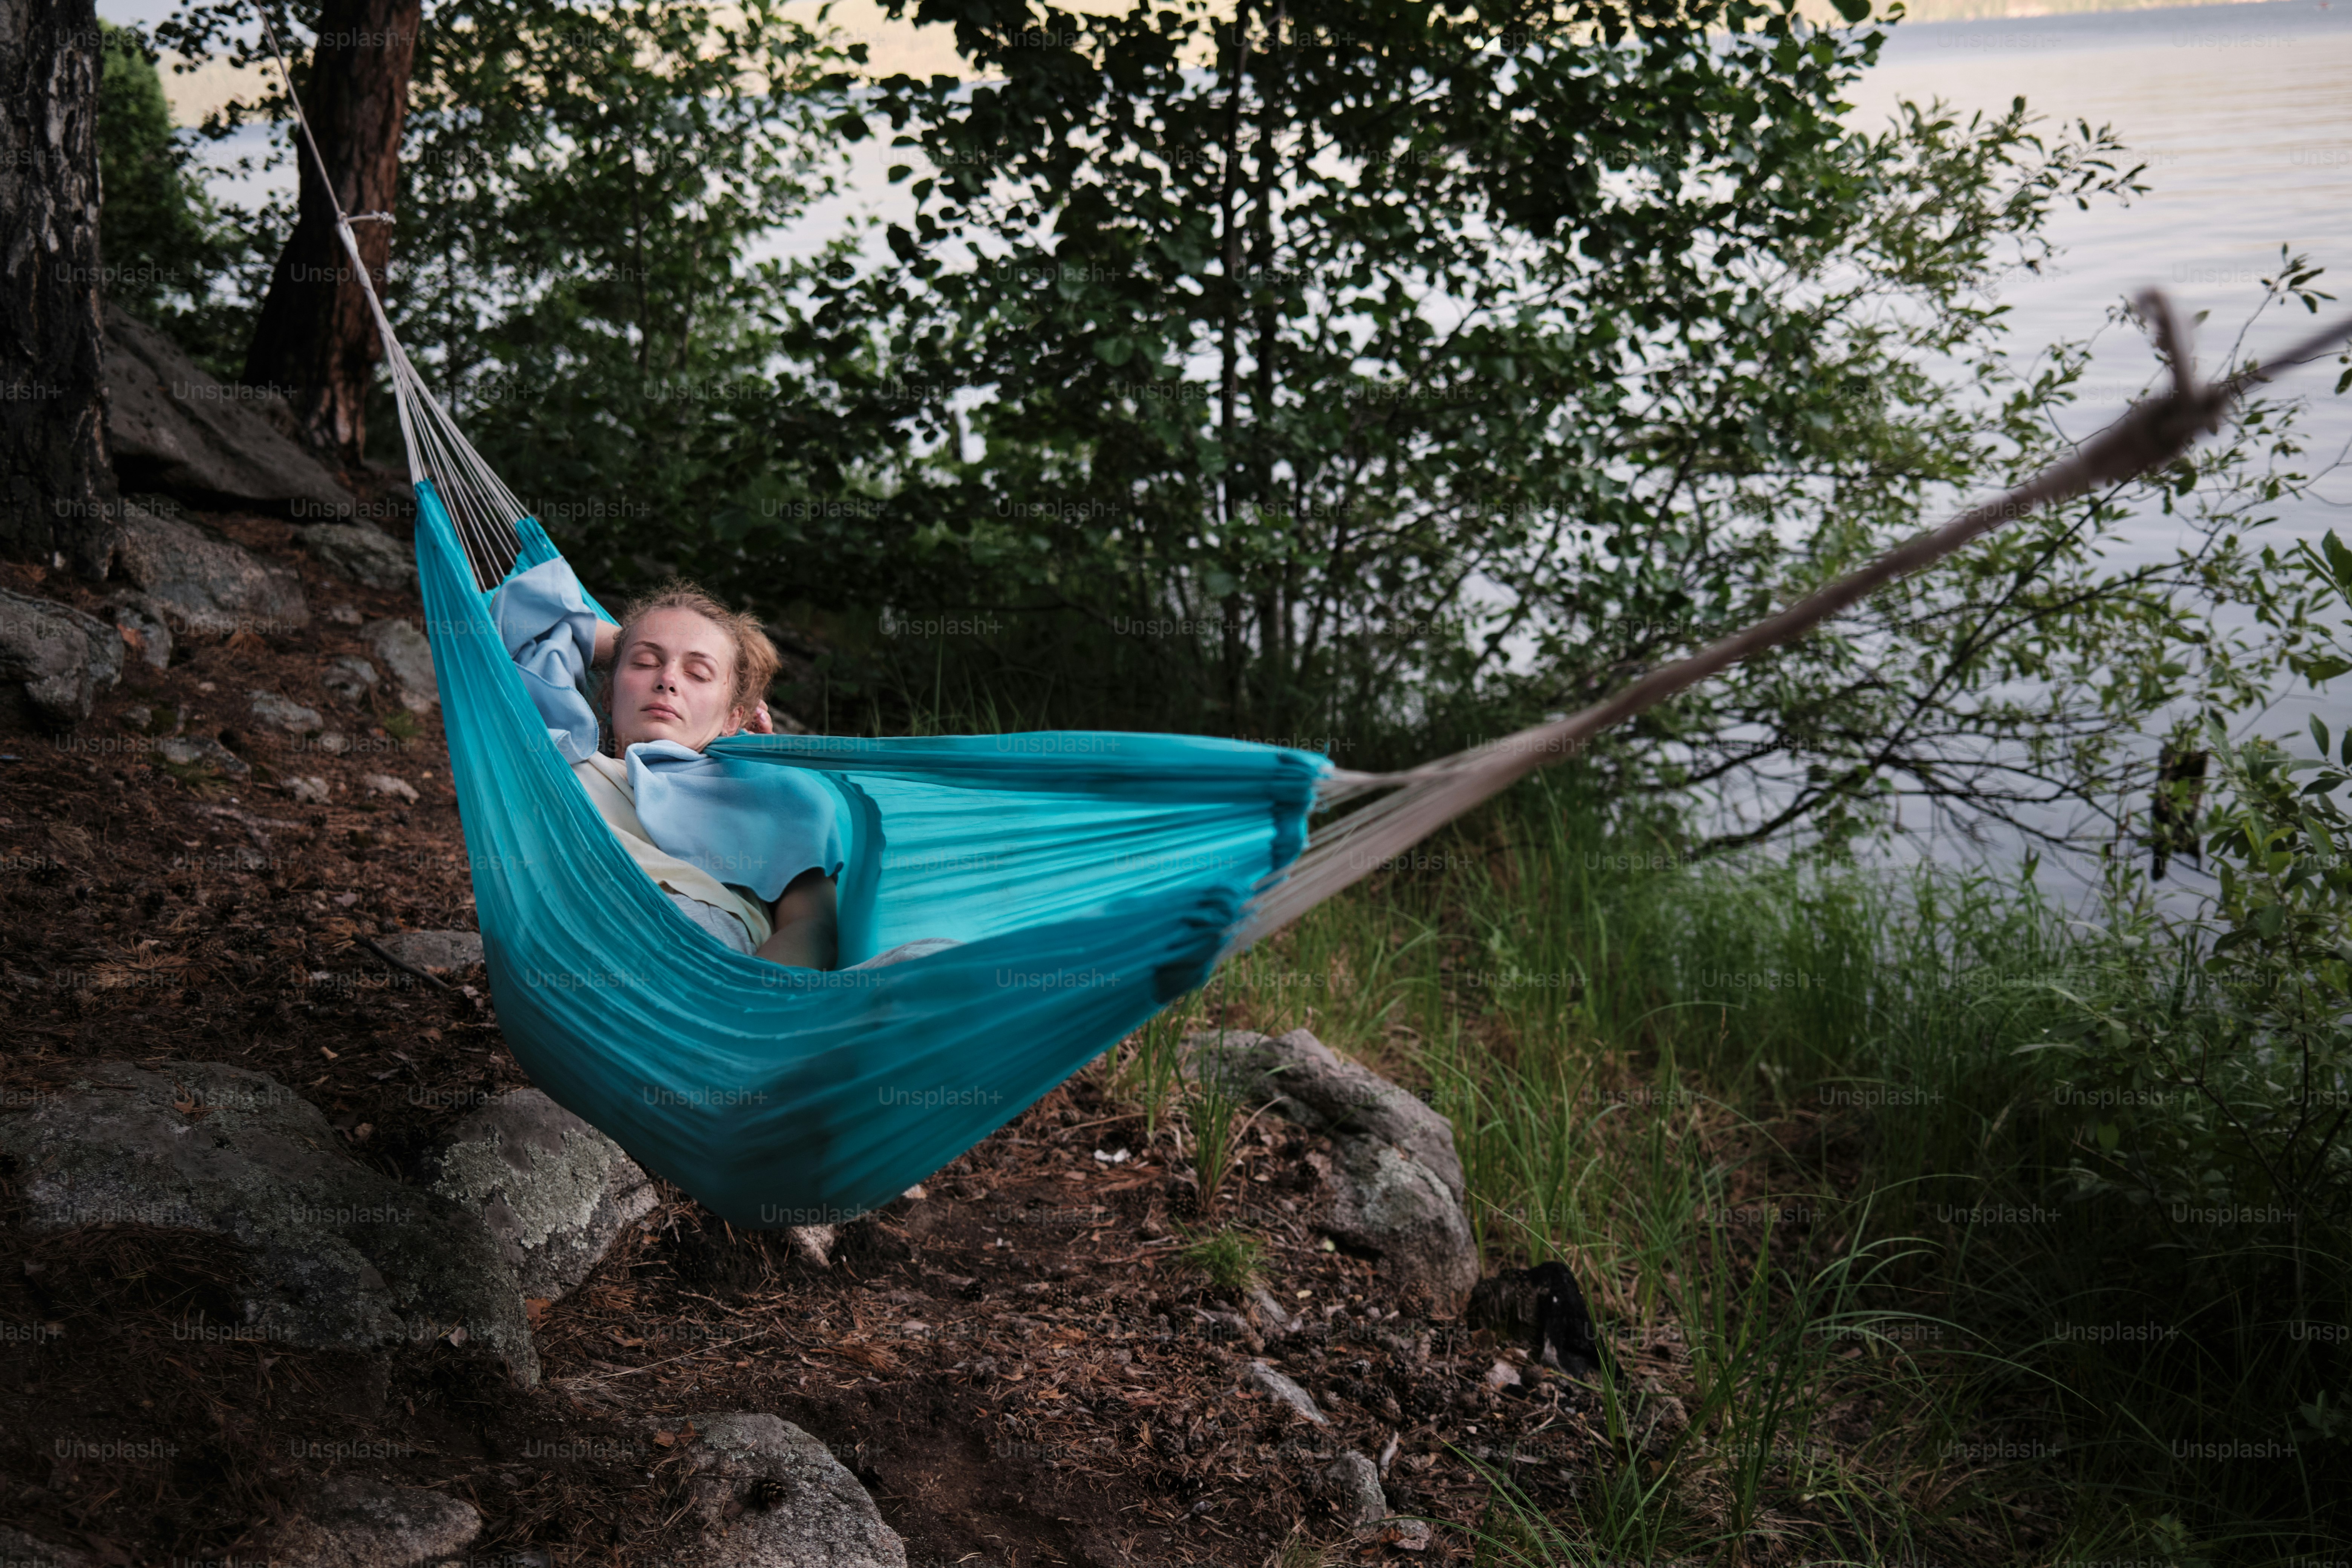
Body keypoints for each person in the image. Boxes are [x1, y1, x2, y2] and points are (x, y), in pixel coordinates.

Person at [489, 557, 845, 968]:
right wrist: (637, 640)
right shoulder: (561, 757)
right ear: (606, 696)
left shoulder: (774, 791)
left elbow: (815, 929)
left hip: (720, 964)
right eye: (644, 664)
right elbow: (517, 613)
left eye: (699, 672)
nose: (668, 679)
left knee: (924, 962)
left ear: (734, 718)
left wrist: (753, 1010)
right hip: (585, 919)